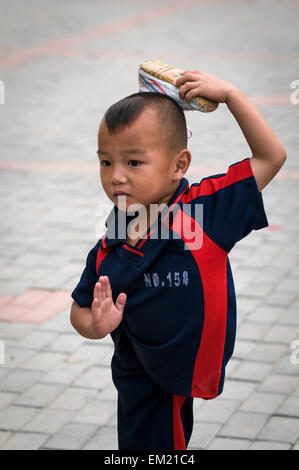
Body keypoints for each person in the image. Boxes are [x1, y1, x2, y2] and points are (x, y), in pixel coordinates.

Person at [70, 69, 286, 450]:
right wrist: (96, 326)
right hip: (136, 376)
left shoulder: (205, 213)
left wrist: (231, 94)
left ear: (179, 165)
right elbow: (81, 309)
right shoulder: (111, 242)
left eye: (133, 163)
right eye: (106, 163)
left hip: (173, 377)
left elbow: (272, 156)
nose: (116, 177)